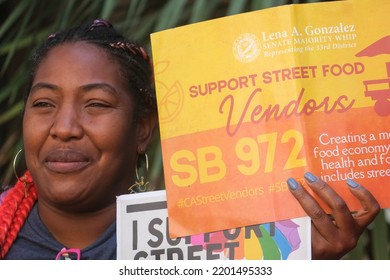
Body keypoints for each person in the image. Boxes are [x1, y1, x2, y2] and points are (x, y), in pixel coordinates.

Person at [0, 19, 380, 260]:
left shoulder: (209, 249)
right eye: (45, 103)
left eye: (96, 103)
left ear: (143, 129)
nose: (64, 126)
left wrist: (298, 260)